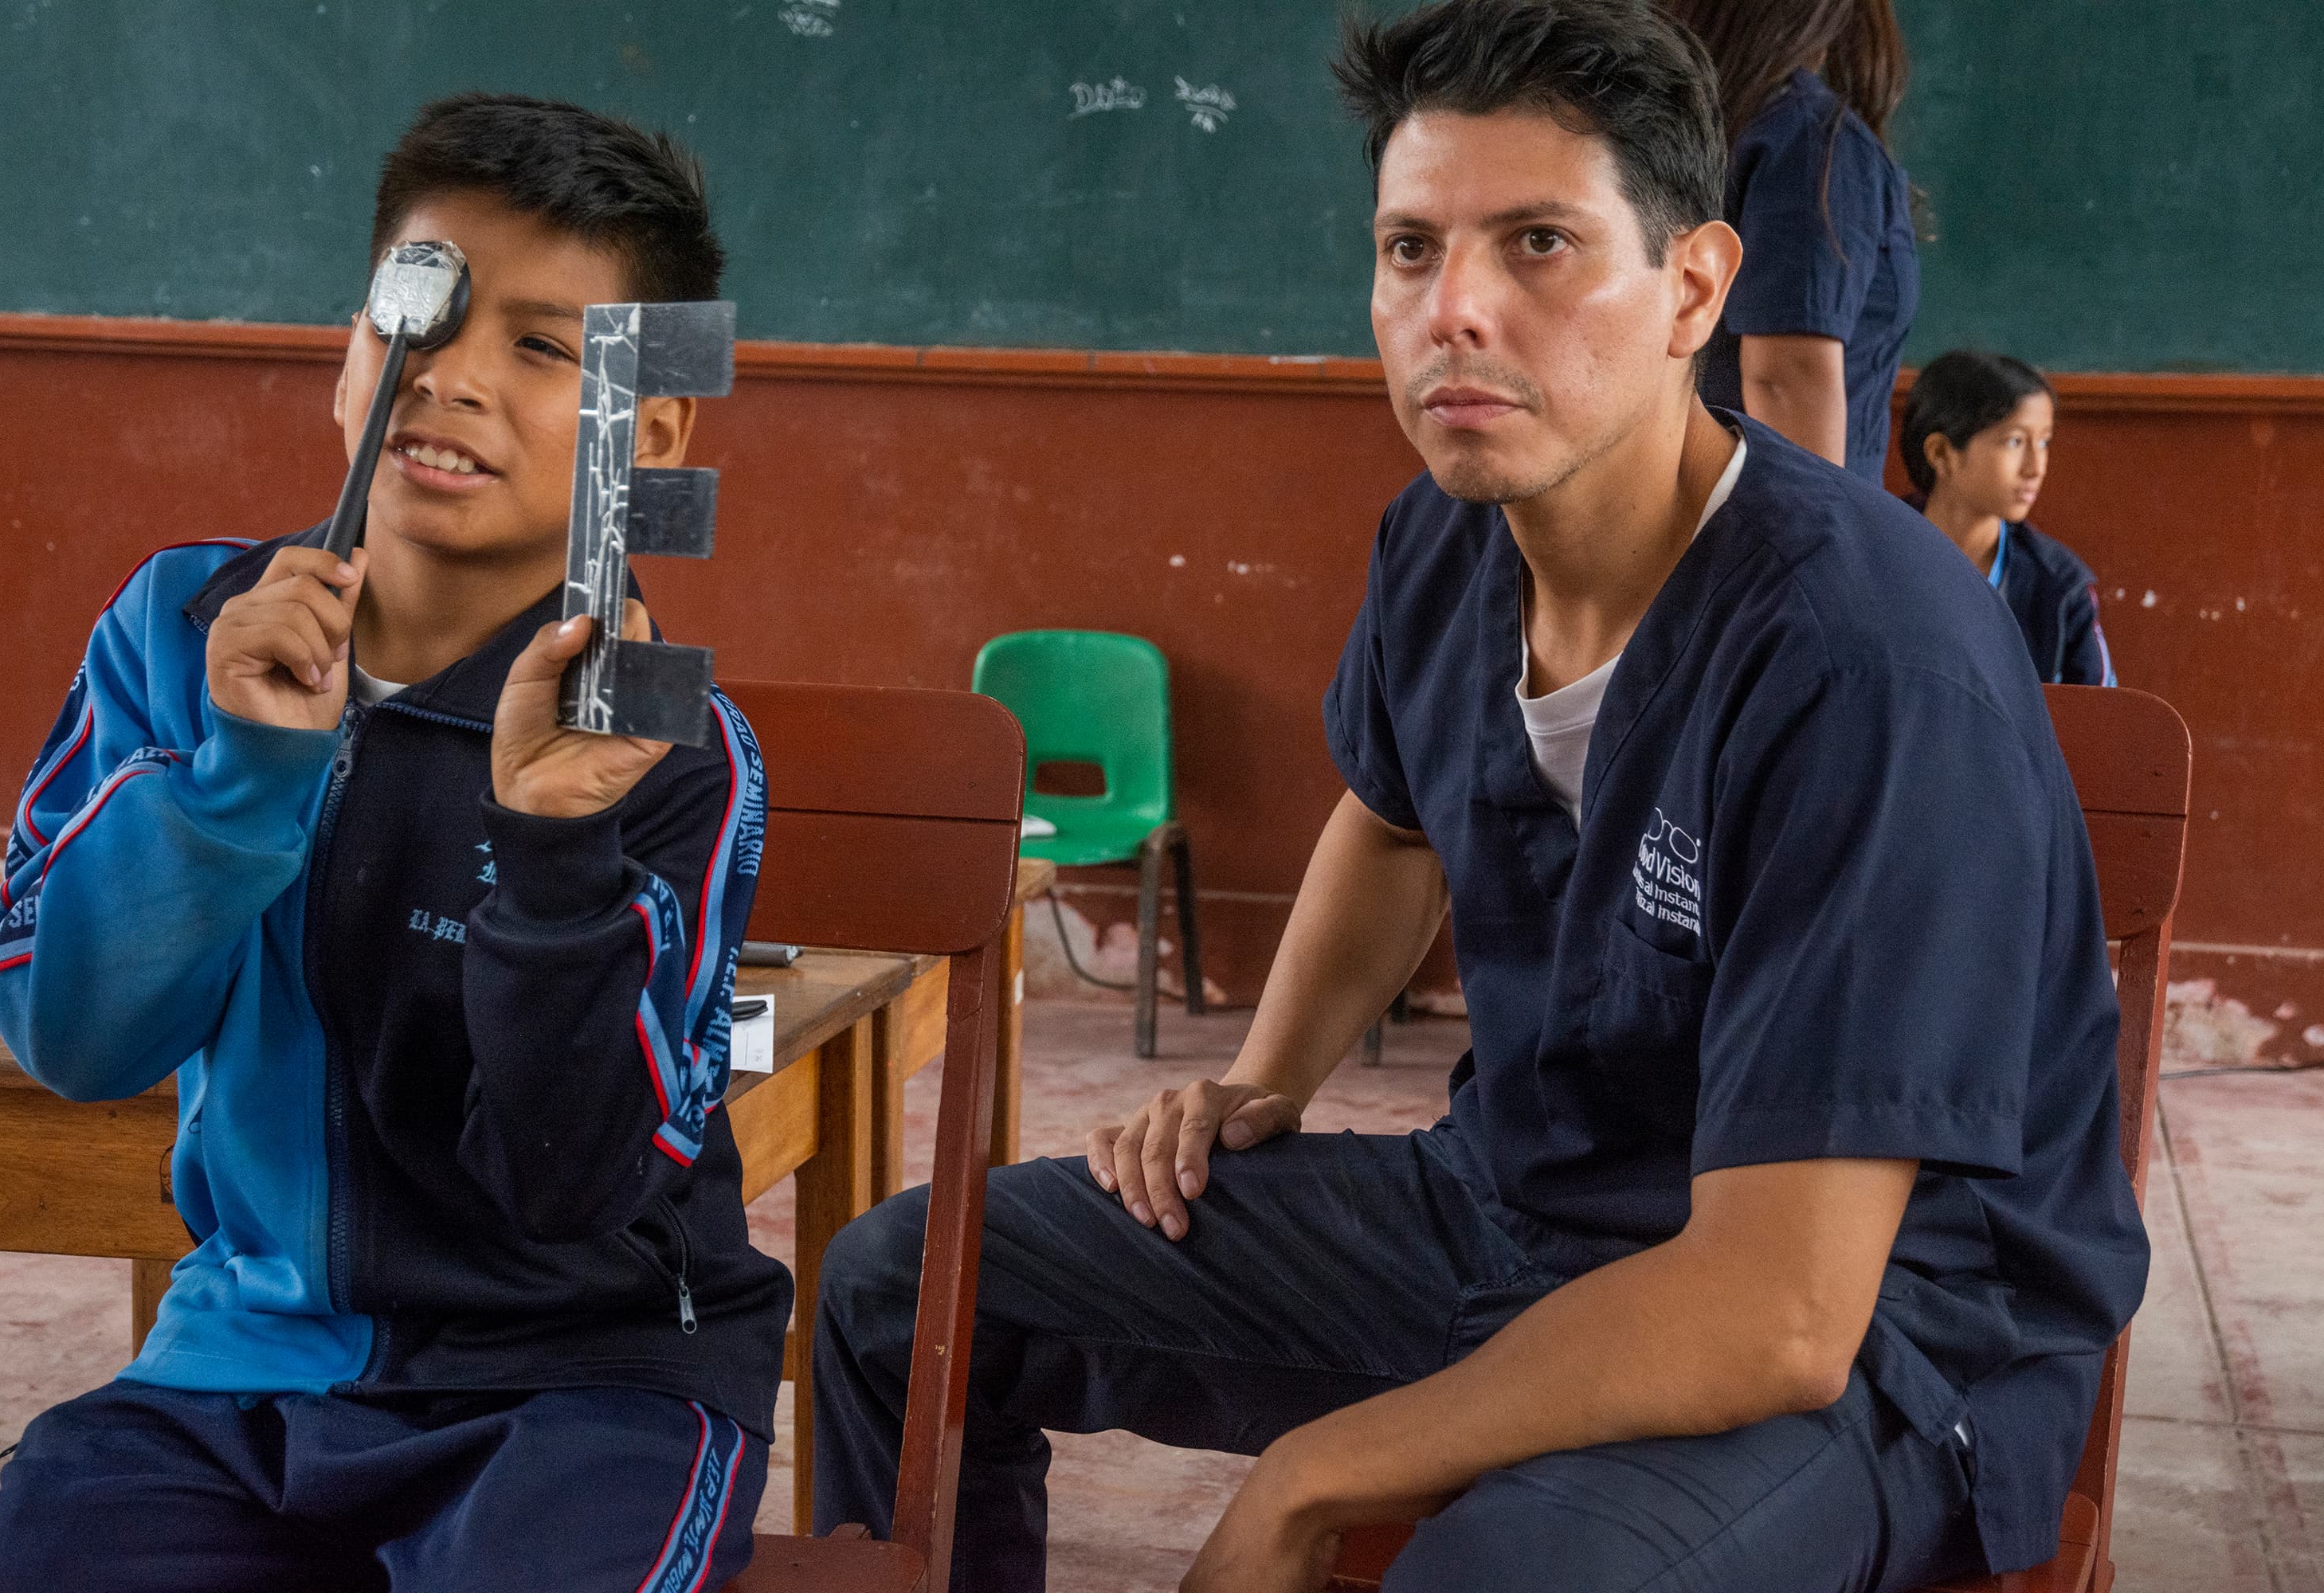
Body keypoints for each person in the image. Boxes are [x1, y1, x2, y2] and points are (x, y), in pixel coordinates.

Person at [811, 2, 2146, 1591]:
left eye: (1537, 245)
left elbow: (1782, 1311)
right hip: (1516, 1206)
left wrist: (1316, 1475)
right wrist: (1266, 1077)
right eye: (1408, 250)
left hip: (1873, 1335)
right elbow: (1391, 824)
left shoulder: (1862, 659)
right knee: (904, 1282)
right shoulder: (1449, 540)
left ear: (1695, 289)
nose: (1457, 311)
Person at [0, 95, 782, 1593]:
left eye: (539, 347)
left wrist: (550, 855)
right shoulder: (182, 629)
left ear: (646, 431)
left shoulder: (660, 745)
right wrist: (237, 773)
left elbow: (572, 1187)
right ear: (350, 354)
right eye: (419, 313)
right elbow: (74, 1039)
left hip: (582, 1389)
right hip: (243, 1364)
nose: (447, 378)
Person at [1673, 0, 1918, 482]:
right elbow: (1786, 379)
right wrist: (1817, 550)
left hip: (1682, 505)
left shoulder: (1677, 126)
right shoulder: (1807, 138)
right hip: (1766, 520)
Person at [1903, 349, 2116, 685]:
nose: (2036, 467)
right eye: (2015, 441)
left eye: (2044, 442)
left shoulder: (2058, 585)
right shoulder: (1874, 553)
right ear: (1942, 453)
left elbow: (2100, 716)